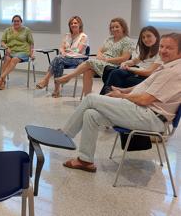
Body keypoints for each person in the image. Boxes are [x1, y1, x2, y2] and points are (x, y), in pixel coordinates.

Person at [60, 33, 181, 173]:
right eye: (162, 46)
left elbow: (144, 100)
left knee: (91, 99)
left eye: (169, 48)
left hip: (150, 117)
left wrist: (119, 96)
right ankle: (85, 161)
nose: (163, 50)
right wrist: (123, 91)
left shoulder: (173, 72)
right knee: (91, 114)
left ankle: (65, 135)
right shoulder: (167, 66)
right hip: (145, 112)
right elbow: (143, 87)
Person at [56, 17, 132, 96]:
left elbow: (124, 58)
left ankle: (68, 77)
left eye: (117, 27)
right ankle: (87, 97)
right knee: (87, 71)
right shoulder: (109, 39)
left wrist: (107, 60)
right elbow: (100, 50)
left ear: (123, 27)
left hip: (114, 66)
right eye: (112, 27)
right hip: (102, 63)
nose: (114, 29)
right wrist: (99, 56)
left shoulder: (127, 41)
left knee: (89, 62)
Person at [36, 16, 89, 97]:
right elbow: (61, 47)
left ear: (80, 24)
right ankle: (56, 90)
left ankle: (46, 80)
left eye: (75, 23)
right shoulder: (67, 35)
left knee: (58, 58)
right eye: (71, 23)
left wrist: (67, 51)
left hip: (78, 59)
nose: (73, 25)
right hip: (64, 58)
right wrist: (63, 51)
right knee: (59, 62)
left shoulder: (83, 36)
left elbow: (79, 51)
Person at [100, 26, 161, 94]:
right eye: (143, 37)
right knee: (111, 71)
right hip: (138, 72)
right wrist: (125, 63)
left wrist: (129, 69)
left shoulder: (160, 53)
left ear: (156, 37)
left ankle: (105, 96)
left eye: (148, 36)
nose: (146, 39)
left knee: (116, 74)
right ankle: (107, 95)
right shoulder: (146, 51)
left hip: (146, 78)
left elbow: (148, 72)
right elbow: (133, 61)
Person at [0, 15, 34, 90]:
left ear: (21, 22)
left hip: (23, 51)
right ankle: (2, 82)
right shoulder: (7, 30)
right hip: (11, 51)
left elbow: (31, 43)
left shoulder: (26, 30)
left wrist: (32, 54)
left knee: (14, 59)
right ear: (12, 22)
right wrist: (6, 48)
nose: (16, 22)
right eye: (14, 21)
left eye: (18, 21)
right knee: (7, 59)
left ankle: (1, 78)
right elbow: (2, 41)